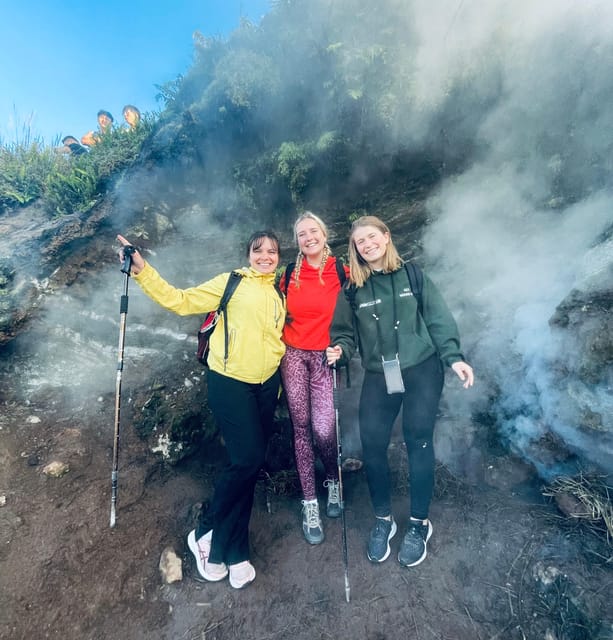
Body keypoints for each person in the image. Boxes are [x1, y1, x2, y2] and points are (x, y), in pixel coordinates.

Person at [116, 230, 286, 589]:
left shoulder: (278, 291)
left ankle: (235, 550)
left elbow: (277, 338)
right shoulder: (231, 282)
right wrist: (143, 270)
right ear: (248, 254)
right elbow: (179, 301)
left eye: (272, 251)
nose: (265, 256)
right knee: (246, 460)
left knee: (251, 465)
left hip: (267, 385)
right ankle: (205, 530)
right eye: (259, 250)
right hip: (230, 382)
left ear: (278, 257)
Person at [326, 215, 474, 568]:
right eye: (360, 241)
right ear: (355, 249)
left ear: (386, 237)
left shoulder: (413, 276)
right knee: (372, 444)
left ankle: (419, 524)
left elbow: (438, 319)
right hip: (380, 374)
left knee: (418, 439)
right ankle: (383, 521)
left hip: (423, 369)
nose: (367, 245)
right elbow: (343, 333)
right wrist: (340, 351)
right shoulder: (352, 289)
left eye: (372, 237)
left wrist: (454, 358)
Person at [279, 212, 349, 545]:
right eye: (301, 234)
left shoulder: (340, 271)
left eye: (313, 231)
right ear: (297, 241)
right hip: (292, 355)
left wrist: (345, 347)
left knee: (324, 428)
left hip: (324, 357)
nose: (308, 237)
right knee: (301, 427)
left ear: (324, 233)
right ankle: (310, 503)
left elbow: (360, 306)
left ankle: (333, 479)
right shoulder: (288, 274)